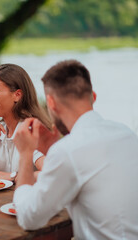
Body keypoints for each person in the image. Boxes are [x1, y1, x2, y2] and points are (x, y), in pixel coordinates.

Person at [13, 60, 138, 239]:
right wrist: (52, 151)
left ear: (51, 102)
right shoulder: (126, 134)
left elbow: (29, 218)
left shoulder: (68, 150)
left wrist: (26, 154)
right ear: (93, 96)